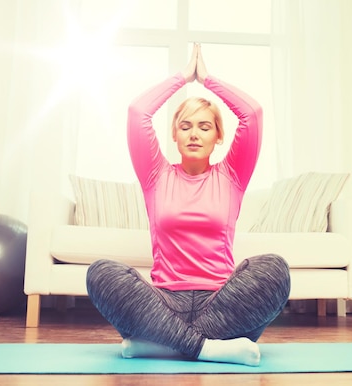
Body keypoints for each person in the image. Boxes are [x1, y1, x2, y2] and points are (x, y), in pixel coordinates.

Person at [86, 43, 290, 367]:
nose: (194, 134)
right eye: (186, 126)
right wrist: (182, 77)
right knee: (99, 273)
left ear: (218, 136)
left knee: (275, 269)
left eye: (204, 126)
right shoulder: (155, 174)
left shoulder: (232, 174)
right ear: (175, 136)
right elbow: (138, 112)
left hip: (221, 304)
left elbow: (251, 114)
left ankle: (164, 344)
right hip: (163, 302)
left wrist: (207, 80)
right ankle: (207, 349)